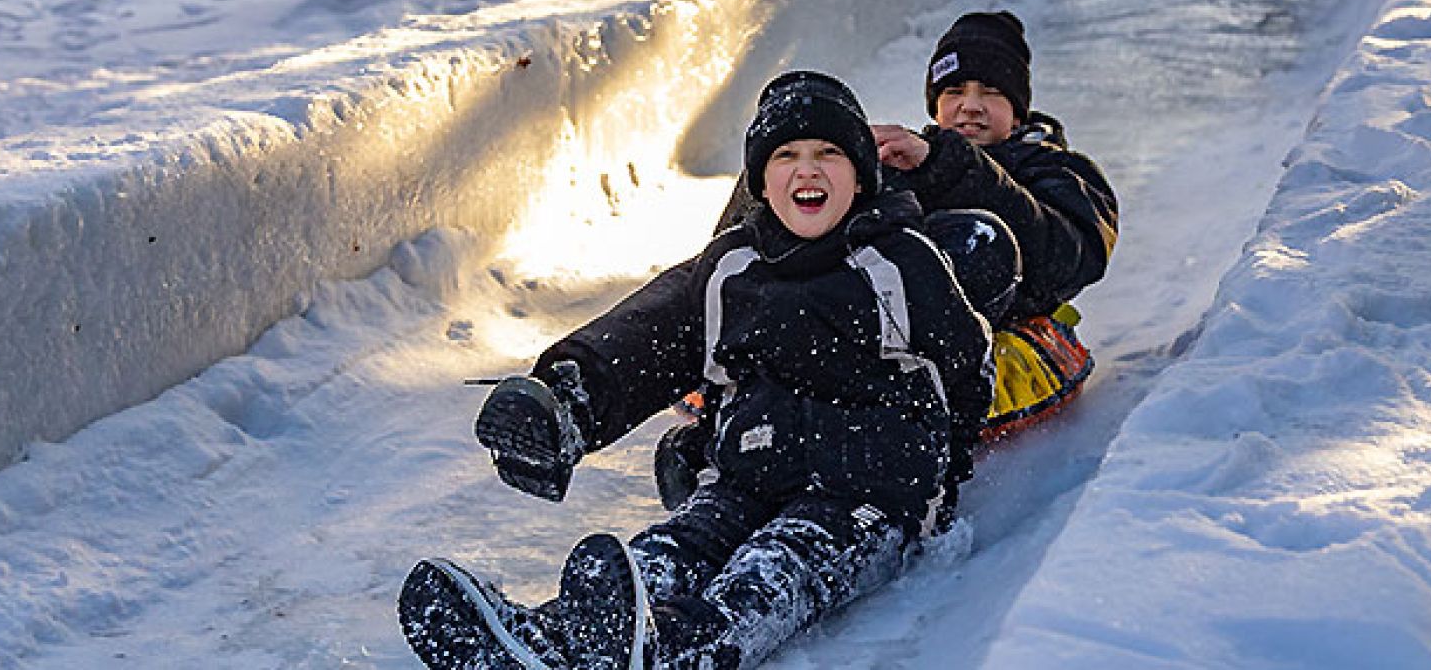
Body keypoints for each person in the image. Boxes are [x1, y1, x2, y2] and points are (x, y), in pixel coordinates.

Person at [398, 71, 995, 670]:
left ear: (861, 175)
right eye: (786, 156)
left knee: (771, 571)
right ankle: (551, 638)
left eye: (828, 154)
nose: (807, 171)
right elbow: (695, 364)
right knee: (671, 546)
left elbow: (967, 368)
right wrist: (692, 440)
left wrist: (934, 481)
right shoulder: (731, 267)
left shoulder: (901, 260)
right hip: (747, 479)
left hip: (863, 497)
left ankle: (675, 651)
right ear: (761, 181)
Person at [653, 11, 1120, 509]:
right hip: (850, 320)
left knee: (971, 244)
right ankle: (735, 422)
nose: (970, 106)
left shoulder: (1056, 170)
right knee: (788, 171)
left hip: (954, 331)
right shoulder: (905, 156)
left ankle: (819, 452)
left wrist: (947, 167)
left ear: (1019, 109)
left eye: (991, 92)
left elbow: (1066, 255)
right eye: (955, 91)